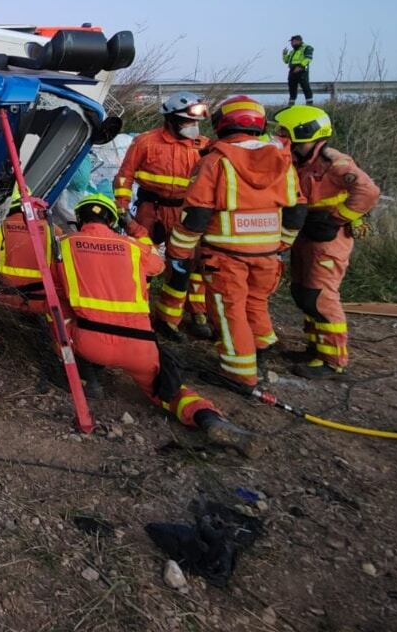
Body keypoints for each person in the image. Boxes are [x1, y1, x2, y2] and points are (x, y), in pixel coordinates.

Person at [53, 193, 260, 455]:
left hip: (89, 341)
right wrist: (135, 228)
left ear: (79, 219)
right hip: (140, 346)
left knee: (57, 310)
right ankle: (206, 417)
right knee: (167, 389)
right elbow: (158, 265)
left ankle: (86, 376)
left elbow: (52, 287)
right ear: (112, 220)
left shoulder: (65, 245)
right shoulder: (134, 247)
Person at [168, 96, 307, 388]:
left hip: (225, 255)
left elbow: (196, 214)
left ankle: (239, 373)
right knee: (256, 303)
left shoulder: (216, 161)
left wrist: (178, 251)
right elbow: (296, 208)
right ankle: (261, 350)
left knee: (229, 310)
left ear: (221, 123)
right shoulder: (282, 159)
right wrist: (283, 242)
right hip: (268, 254)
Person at [272, 107, 381, 379]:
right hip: (307, 234)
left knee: (320, 297)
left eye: (287, 133)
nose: (283, 138)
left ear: (306, 133)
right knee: (303, 293)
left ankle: (333, 360)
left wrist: (337, 218)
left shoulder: (334, 162)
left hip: (328, 239)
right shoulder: (300, 162)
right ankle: (316, 349)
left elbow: (368, 191)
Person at [113, 91, 212, 340]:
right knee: (141, 263)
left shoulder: (205, 146)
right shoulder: (146, 142)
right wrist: (122, 208)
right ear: (171, 120)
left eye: (195, 123)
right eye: (187, 122)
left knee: (185, 264)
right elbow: (125, 176)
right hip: (150, 210)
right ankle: (139, 314)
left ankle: (175, 319)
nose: (192, 128)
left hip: (184, 212)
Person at [282, 35, 314, 104]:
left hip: (302, 70)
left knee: (305, 86)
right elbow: (286, 61)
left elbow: (308, 58)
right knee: (292, 87)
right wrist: (284, 54)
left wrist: (301, 66)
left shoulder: (307, 47)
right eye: (292, 42)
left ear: (299, 41)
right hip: (292, 70)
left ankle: (309, 103)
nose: (292, 43)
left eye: (294, 41)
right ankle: (291, 104)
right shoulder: (292, 51)